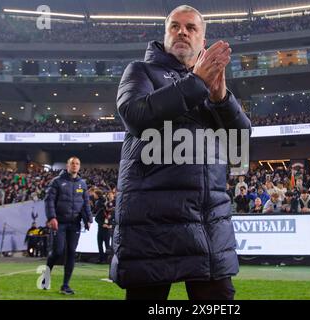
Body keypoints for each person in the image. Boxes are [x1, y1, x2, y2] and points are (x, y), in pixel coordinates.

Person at [111, 5, 251, 300]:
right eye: (175, 26)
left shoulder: (211, 86)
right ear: (165, 35)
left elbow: (240, 146)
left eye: (191, 28)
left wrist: (221, 99)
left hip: (207, 224)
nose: (182, 32)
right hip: (152, 225)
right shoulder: (140, 71)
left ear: (202, 40)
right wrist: (197, 82)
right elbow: (136, 116)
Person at [44, 157, 93, 295]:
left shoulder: (82, 184)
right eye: (72, 163)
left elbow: (85, 204)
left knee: (71, 252)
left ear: (79, 167)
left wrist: (88, 219)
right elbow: (49, 201)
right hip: (59, 222)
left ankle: (65, 285)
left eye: (77, 164)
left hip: (75, 224)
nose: (75, 166)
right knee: (58, 252)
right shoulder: (57, 182)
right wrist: (52, 217)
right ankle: (46, 275)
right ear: (67, 166)